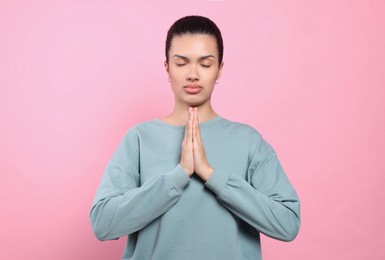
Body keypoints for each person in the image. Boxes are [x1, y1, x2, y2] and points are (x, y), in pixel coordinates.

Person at [89, 15, 300, 260]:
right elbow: (103, 224)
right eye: (181, 63)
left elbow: (288, 223)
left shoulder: (249, 141)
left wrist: (212, 175)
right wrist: (178, 177)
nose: (192, 74)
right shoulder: (138, 139)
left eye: (205, 64)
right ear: (167, 68)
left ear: (220, 69)